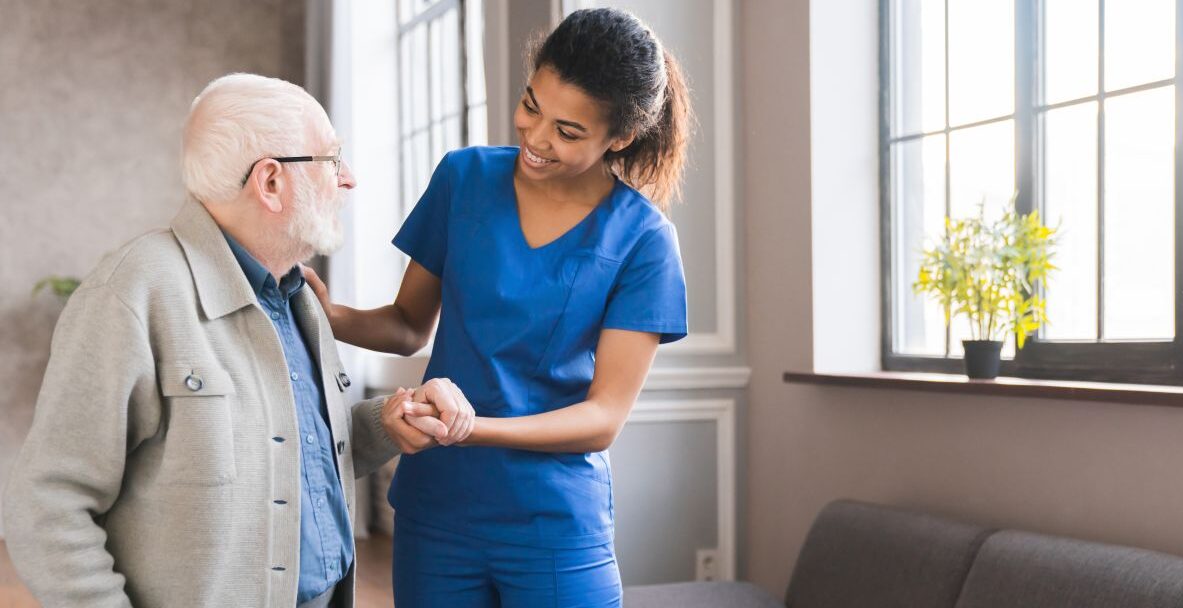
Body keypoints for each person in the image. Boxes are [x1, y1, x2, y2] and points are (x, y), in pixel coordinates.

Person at [2, 73, 465, 608]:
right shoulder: (133, 292)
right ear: (271, 182)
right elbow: (47, 503)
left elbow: (297, 453)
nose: (348, 179)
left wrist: (387, 421)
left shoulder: (301, 297)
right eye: (331, 160)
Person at [306, 8, 691, 607]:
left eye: (567, 131)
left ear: (619, 138)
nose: (535, 139)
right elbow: (410, 327)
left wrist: (466, 428)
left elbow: (603, 417)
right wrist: (333, 317)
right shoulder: (463, 178)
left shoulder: (644, 240)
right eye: (531, 105)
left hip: (555, 523)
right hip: (436, 510)